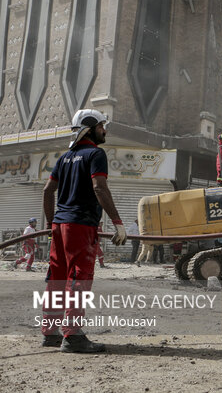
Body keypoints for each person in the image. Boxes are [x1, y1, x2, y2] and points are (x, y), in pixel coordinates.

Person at [41, 109, 127, 353]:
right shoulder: (96, 154)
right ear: (90, 128)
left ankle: (50, 333)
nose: (105, 130)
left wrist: (51, 225)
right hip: (80, 225)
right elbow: (99, 188)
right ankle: (73, 335)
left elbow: (48, 191)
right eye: (101, 126)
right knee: (80, 278)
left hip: (59, 226)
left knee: (56, 279)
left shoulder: (64, 158)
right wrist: (118, 222)